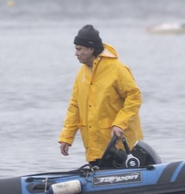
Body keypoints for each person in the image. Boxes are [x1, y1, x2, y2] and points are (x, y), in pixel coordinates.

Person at [60, 24, 143, 165]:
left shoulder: (117, 69)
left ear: (91, 49)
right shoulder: (81, 74)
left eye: (79, 49)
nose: (76, 53)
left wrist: (119, 124)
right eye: (76, 49)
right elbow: (75, 107)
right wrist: (66, 137)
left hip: (120, 147)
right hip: (94, 149)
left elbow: (134, 97)